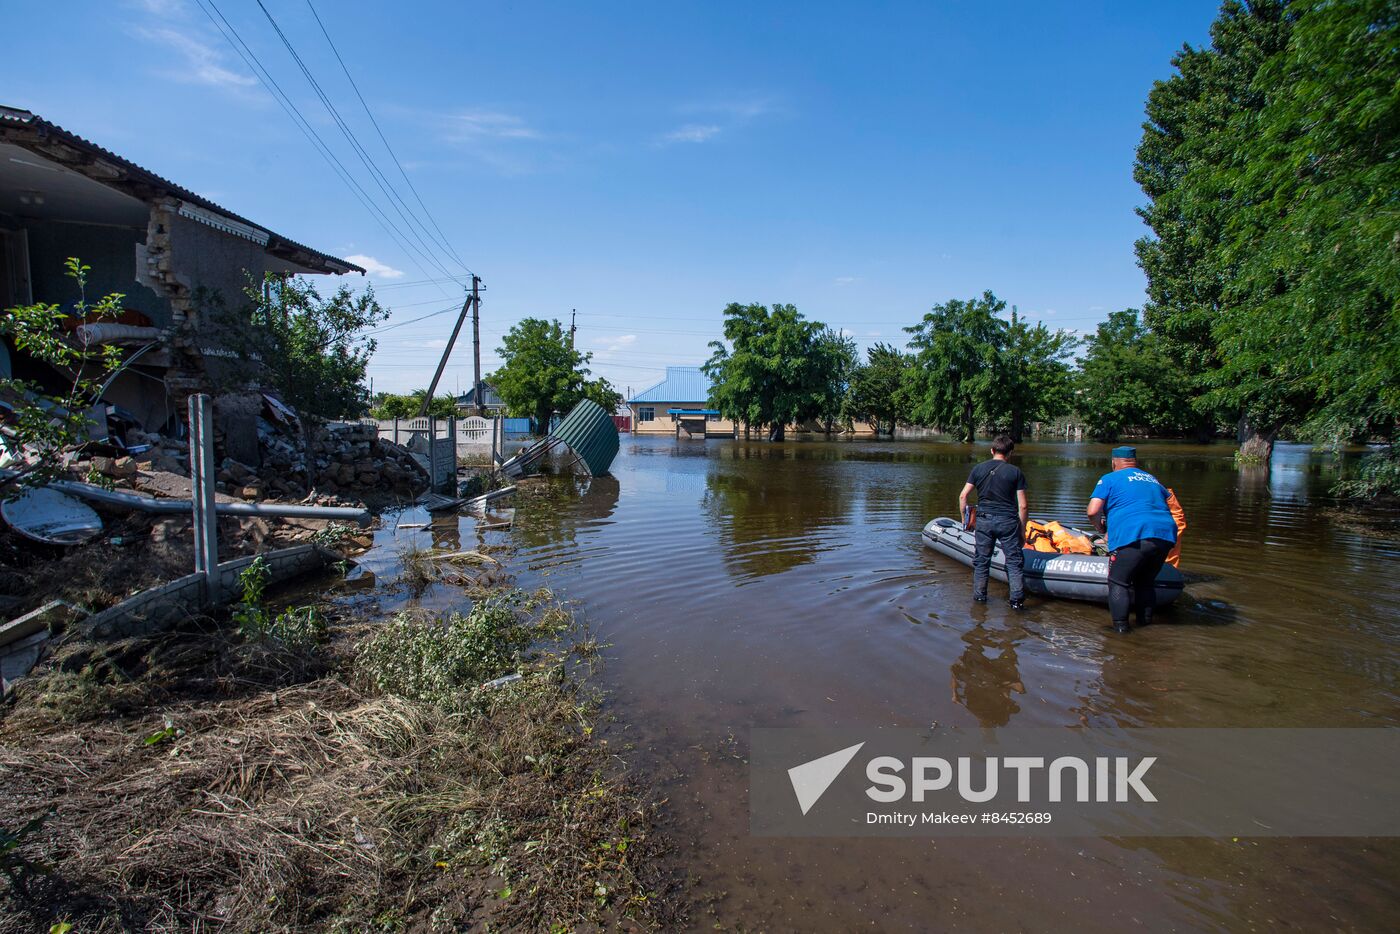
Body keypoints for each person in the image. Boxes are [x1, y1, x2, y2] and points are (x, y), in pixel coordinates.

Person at [1086, 446, 1178, 633]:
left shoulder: (1109, 478)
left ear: (1114, 462)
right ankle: (1146, 625)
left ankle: (1121, 630)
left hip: (1136, 533)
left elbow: (1093, 511)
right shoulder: (1152, 479)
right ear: (1135, 462)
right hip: (1165, 535)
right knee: (1145, 582)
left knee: (1118, 581)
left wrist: (1100, 527)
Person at [958, 434, 1029, 609]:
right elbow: (1023, 505)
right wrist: (1022, 530)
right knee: (1014, 562)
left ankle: (980, 600)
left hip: (984, 521)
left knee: (982, 561)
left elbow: (963, 496)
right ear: (1010, 453)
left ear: (992, 450)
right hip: (1008, 522)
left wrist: (964, 519)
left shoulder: (978, 469)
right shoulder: (1015, 472)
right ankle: (1016, 603)